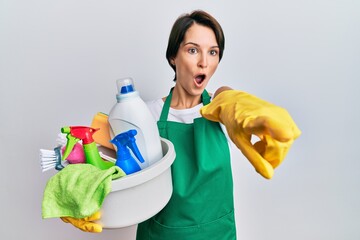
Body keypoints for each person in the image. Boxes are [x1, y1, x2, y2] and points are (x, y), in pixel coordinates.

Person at [60, 10, 301, 239]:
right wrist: (76, 192)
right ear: (173, 56)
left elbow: (225, 96)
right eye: (193, 50)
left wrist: (236, 102)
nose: (204, 62)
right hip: (161, 235)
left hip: (216, 234)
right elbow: (107, 168)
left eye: (213, 52)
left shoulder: (220, 108)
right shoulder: (145, 115)